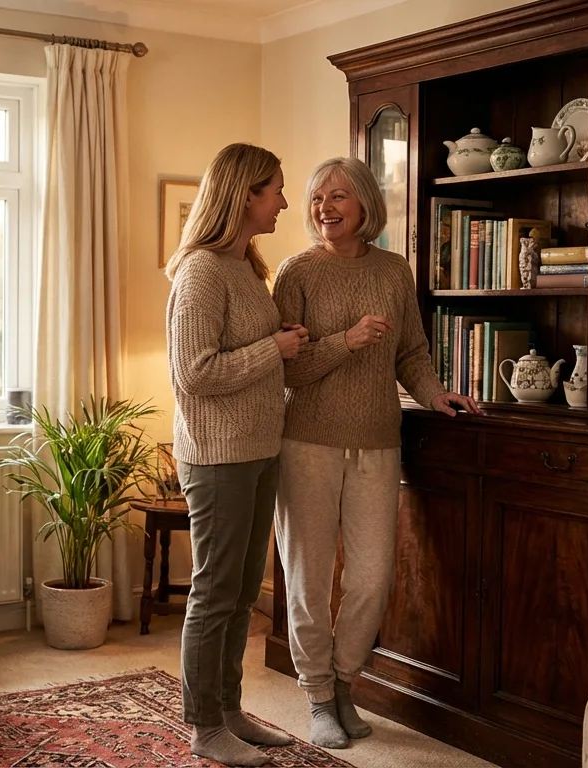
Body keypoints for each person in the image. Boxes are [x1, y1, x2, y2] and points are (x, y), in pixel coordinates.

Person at [271, 156, 480, 749]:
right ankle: (315, 696)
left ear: (364, 203)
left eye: (338, 196)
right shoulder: (297, 272)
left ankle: (343, 683)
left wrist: (437, 395)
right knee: (308, 580)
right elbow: (293, 367)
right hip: (306, 442)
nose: (324, 207)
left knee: (372, 577)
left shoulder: (393, 271)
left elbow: (411, 351)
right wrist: (347, 340)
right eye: (316, 197)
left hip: (378, 443)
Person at [164, 142, 308, 767]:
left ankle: (228, 711)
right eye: (275, 188)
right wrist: (273, 351)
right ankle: (203, 727)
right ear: (245, 194)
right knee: (216, 593)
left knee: (245, 589)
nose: (282, 200)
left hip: (258, 448)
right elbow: (194, 374)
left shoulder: (247, 266)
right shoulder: (199, 270)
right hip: (217, 456)